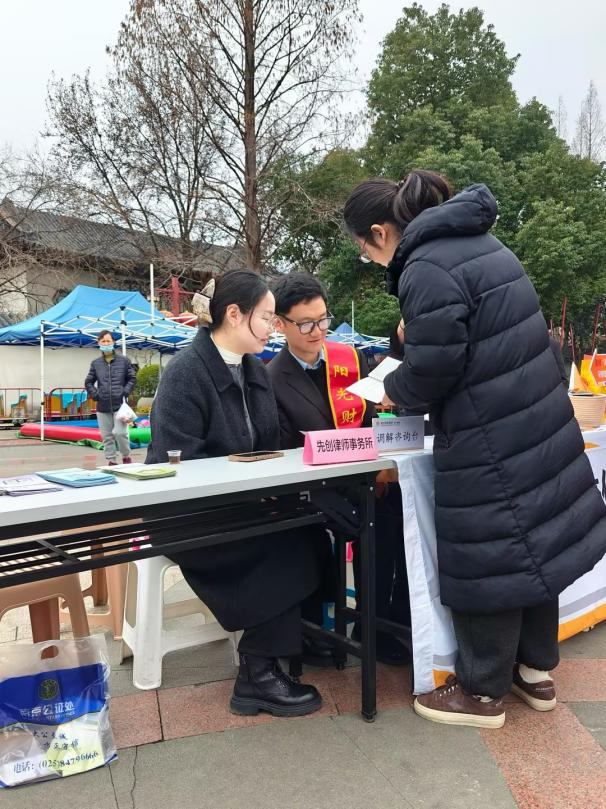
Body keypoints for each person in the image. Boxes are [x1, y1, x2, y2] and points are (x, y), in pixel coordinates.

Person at [343, 170, 606, 729]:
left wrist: (394, 388)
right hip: (535, 421)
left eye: (365, 250)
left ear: (379, 233)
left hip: (489, 434)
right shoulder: (480, 243)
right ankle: (534, 671)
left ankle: (482, 691)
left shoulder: (425, 265)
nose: (371, 259)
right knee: (537, 546)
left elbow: (435, 368)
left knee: (490, 554)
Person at [145, 270, 323, 718]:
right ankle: (257, 673)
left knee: (310, 532)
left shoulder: (253, 370)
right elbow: (179, 464)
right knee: (282, 545)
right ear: (234, 314)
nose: (272, 328)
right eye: (266, 317)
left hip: (241, 504)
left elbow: (269, 447)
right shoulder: (186, 373)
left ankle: (291, 643)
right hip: (185, 513)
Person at [268, 272, 411, 666]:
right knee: (374, 520)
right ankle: (367, 627)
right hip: (314, 487)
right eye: (306, 324)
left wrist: (378, 466)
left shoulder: (349, 359)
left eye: (323, 319)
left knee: (405, 508)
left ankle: (392, 620)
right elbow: (285, 450)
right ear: (280, 324)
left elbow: (369, 416)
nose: (318, 331)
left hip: (364, 475)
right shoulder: (272, 379)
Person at [85, 330, 136, 465]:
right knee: (107, 436)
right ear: (99, 343)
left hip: (120, 406)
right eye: (103, 341)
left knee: (120, 433)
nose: (106, 343)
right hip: (102, 406)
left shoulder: (124, 361)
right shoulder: (96, 363)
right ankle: (112, 461)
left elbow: (132, 378)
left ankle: (126, 456)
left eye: (108, 341)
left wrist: (125, 391)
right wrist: (95, 395)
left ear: (113, 342)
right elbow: (88, 382)